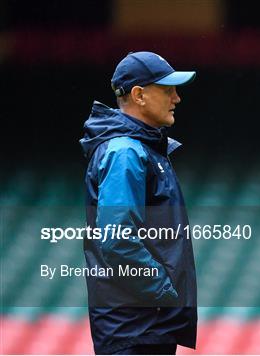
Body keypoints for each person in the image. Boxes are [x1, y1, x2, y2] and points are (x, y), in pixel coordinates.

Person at [80, 51, 197, 355]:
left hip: (143, 326)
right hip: (135, 329)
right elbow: (117, 239)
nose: (177, 98)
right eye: (168, 90)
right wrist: (163, 292)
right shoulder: (125, 152)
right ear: (139, 95)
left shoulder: (140, 148)